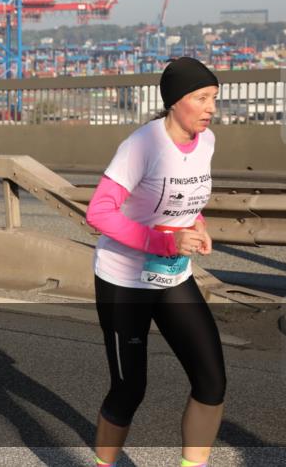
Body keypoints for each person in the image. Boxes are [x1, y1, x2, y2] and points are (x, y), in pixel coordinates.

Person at [85, 57, 226, 467]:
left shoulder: (208, 142)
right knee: (129, 390)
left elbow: (187, 200)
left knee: (211, 382)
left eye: (213, 98)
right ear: (174, 100)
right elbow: (99, 212)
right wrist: (163, 241)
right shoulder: (142, 145)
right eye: (201, 98)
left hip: (172, 278)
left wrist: (197, 227)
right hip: (123, 281)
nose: (210, 108)